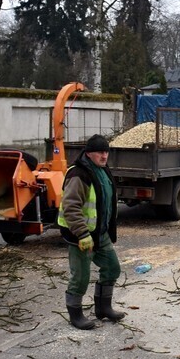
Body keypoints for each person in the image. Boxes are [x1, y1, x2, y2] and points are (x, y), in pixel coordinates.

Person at [57, 134, 124, 330]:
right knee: (81, 276)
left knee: (112, 268)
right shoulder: (79, 174)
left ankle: (103, 309)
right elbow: (70, 206)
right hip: (81, 235)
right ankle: (76, 315)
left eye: (106, 152)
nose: (104, 156)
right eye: (99, 152)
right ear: (88, 154)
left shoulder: (102, 170)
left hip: (99, 233)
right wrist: (82, 234)